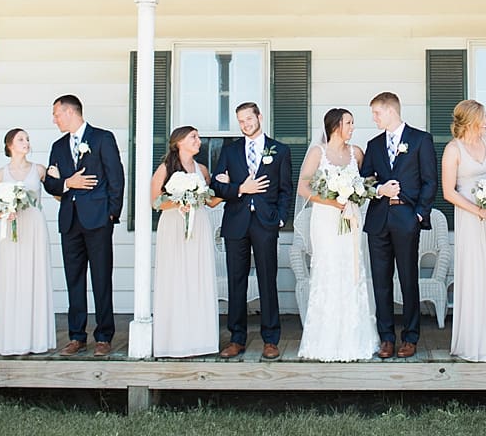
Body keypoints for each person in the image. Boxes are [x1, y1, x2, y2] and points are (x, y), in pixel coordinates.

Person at [43, 94, 125, 357]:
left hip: (98, 219)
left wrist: (111, 214)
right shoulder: (58, 146)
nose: (54, 119)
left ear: (69, 112)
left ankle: (104, 336)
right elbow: (51, 183)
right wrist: (68, 182)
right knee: (74, 280)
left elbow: (116, 177)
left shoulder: (102, 138)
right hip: (70, 221)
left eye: (56, 114)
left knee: (101, 278)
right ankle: (76, 336)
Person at [210, 102, 292, 360]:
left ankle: (270, 339)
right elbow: (216, 185)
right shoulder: (230, 150)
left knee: (268, 279)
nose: (245, 124)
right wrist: (240, 188)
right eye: (241, 121)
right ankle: (237, 338)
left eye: (248, 119)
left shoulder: (280, 150)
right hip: (236, 222)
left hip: (266, 223)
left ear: (259, 117)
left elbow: (285, 190)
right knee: (237, 281)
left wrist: (279, 218)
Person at [296, 108, 378, 361]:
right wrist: (333, 201)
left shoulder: (357, 153)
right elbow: (303, 186)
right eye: (349, 123)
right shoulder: (317, 153)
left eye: (353, 123)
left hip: (351, 220)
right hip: (326, 220)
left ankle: (355, 339)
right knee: (329, 271)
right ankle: (325, 341)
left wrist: (355, 194)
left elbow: (366, 183)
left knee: (353, 270)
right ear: (335, 126)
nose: (353, 127)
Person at [361, 92, 436, 359]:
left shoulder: (420, 140)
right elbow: (364, 181)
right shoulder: (374, 144)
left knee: (408, 279)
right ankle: (387, 338)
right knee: (381, 281)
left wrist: (418, 215)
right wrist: (380, 189)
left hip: (406, 219)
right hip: (379, 220)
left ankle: (411, 337)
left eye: (376, 113)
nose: (373, 118)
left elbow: (430, 181)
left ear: (390, 111)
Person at [441, 100, 486, 362]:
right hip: (470, 219)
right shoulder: (453, 149)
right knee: (475, 274)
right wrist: (478, 210)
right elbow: (449, 192)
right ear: (470, 120)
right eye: (483, 118)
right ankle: (473, 341)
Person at [151, 126, 219, 358]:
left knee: (197, 277)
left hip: (198, 225)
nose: (199, 141)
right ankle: (173, 340)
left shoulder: (202, 169)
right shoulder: (165, 169)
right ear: (179, 142)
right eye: (194, 137)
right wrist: (180, 200)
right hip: (173, 226)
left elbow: (210, 201)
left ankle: (201, 339)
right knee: (175, 278)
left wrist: (234, 186)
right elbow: (155, 202)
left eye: (198, 136)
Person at [0, 128, 56, 356]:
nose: (26, 142)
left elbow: (57, 193)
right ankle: (12, 337)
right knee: (13, 278)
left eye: (27, 139)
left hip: (35, 226)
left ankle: (36, 337)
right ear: (10, 144)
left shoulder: (39, 170)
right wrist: (4, 213)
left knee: (34, 277)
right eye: (21, 139)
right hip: (12, 229)